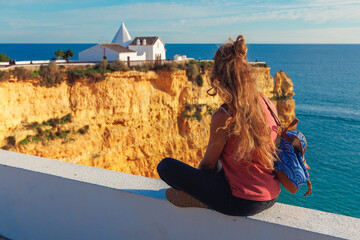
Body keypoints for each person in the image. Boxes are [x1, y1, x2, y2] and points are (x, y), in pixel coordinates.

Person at [157, 35, 280, 216]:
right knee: (227, 162)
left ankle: (201, 199)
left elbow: (208, 165)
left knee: (165, 166)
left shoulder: (224, 115)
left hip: (241, 202)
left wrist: (200, 186)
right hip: (272, 195)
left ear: (219, 76)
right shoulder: (267, 102)